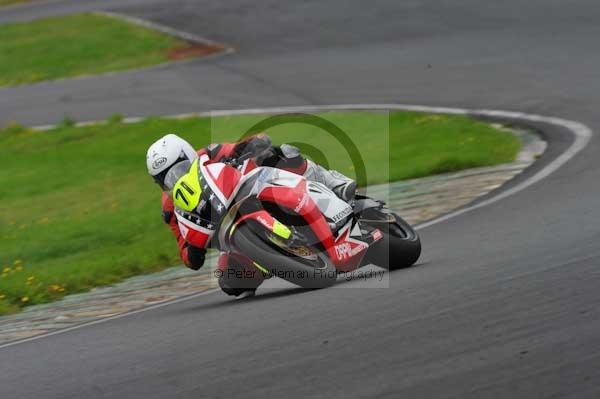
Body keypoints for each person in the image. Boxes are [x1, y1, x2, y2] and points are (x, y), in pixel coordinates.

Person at [146, 133, 356, 297]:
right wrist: (193, 251)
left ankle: (332, 182)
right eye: (165, 179)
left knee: (280, 153)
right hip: (230, 233)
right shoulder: (170, 209)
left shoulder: (209, 154)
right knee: (230, 280)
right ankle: (275, 261)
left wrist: (251, 145)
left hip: (256, 190)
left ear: (188, 155)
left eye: (179, 169)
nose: (174, 180)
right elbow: (185, 251)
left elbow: (242, 145)